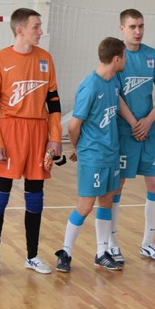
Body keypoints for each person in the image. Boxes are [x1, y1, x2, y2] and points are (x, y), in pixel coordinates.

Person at [0, 8, 62, 277]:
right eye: (36, 26)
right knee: (0, 197)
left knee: (35, 196)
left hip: (38, 131)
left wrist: (55, 137)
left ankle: (32, 255)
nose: (40, 31)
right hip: (9, 131)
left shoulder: (45, 59)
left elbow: (54, 102)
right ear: (20, 30)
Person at [55, 37, 127, 273]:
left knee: (106, 201)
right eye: (124, 57)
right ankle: (65, 252)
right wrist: (79, 148)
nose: (125, 60)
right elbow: (73, 126)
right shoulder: (90, 86)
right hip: (93, 155)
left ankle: (101, 253)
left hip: (111, 153)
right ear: (116, 59)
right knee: (86, 205)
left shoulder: (113, 82)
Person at [109, 9, 155, 263]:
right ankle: (112, 243)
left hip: (148, 131)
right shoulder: (116, 55)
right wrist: (134, 123)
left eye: (141, 26)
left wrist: (148, 121)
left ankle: (148, 243)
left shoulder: (152, 55)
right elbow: (114, 94)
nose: (138, 31)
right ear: (122, 28)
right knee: (117, 186)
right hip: (124, 131)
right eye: (132, 26)